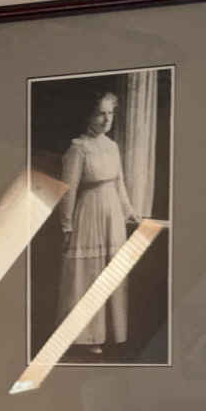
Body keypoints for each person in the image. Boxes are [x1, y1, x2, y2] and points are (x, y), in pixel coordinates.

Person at [56, 91, 140, 353]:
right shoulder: (78, 148)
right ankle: (87, 337)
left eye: (110, 113)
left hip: (112, 213)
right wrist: (67, 225)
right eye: (100, 114)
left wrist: (129, 211)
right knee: (89, 274)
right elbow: (68, 190)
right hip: (89, 213)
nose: (107, 119)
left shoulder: (112, 147)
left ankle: (112, 333)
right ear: (89, 116)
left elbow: (119, 183)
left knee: (111, 271)